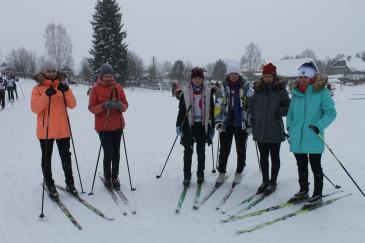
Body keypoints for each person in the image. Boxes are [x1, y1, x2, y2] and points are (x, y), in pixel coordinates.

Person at [286, 63, 336, 207]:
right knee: (301, 165)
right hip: (297, 135)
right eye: (300, 76)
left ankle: (317, 194)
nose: (302, 79)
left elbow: (331, 113)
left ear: (312, 77)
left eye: (306, 76)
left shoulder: (321, 92)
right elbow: (291, 113)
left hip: (313, 134)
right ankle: (303, 190)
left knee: (315, 165)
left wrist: (319, 125)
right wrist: (289, 126)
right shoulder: (296, 92)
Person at [31, 61, 78, 199]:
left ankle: (70, 183)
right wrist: (46, 95)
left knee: (66, 157)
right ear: (44, 72)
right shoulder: (38, 89)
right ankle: (49, 183)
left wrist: (67, 91)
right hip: (45, 130)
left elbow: (73, 105)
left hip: (62, 129)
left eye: (53, 71)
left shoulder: (62, 86)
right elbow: (35, 108)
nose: (51, 73)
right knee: (46, 158)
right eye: (48, 71)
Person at [249, 63, 290, 195]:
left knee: (274, 156)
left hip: (274, 128)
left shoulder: (280, 90)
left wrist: (279, 111)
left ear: (274, 76)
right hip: (260, 128)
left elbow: (289, 107)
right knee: (263, 157)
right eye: (265, 75)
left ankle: (273, 181)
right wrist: (251, 113)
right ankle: (265, 181)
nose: (267, 78)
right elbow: (251, 106)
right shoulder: (258, 90)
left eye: (269, 76)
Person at [88, 63, 128, 190]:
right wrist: (104, 106)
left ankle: (115, 177)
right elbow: (91, 108)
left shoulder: (118, 87)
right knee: (108, 152)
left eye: (110, 75)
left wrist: (119, 106)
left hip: (117, 125)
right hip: (103, 126)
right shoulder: (95, 89)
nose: (108, 78)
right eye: (105, 76)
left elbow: (126, 105)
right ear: (101, 76)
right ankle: (107, 176)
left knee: (116, 153)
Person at [214, 65, 252, 186]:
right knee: (224, 150)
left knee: (241, 149)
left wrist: (250, 123)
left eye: (236, 73)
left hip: (241, 123)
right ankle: (221, 172)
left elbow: (251, 107)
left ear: (239, 74)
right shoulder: (223, 88)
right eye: (231, 73)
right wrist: (218, 121)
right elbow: (218, 106)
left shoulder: (246, 87)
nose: (234, 76)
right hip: (226, 123)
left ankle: (239, 172)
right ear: (228, 74)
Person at [175, 67, 215, 186]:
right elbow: (181, 110)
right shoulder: (185, 92)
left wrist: (212, 126)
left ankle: (200, 173)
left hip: (202, 126)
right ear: (191, 79)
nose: (197, 80)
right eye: (195, 78)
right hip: (189, 125)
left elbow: (212, 110)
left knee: (201, 151)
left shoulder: (208, 92)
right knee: (188, 151)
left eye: (199, 78)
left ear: (202, 79)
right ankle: (187, 174)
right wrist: (178, 125)